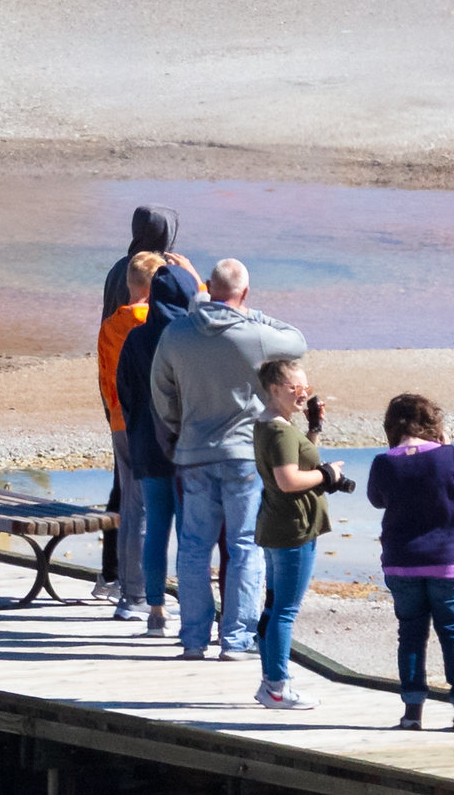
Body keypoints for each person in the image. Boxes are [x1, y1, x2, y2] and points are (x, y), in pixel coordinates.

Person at [147, 253, 309, 658]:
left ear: (206, 287)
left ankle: (193, 638)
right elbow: (297, 342)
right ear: (245, 293)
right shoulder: (253, 333)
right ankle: (235, 639)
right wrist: (255, 315)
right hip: (242, 455)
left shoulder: (176, 334)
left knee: (193, 547)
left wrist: (174, 427)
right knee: (244, 547)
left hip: (193, 451)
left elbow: (161, 391)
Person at [94, 208, 200, 627]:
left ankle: (116, 578)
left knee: (125, 495)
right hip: (150, 408)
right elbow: (197, 315)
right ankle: (137, 592)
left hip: (119, 397)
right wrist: (192, 277)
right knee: (148, 505)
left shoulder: (119, 270)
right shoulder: (159, 278)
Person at [369, 391, 454, 730]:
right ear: (433, 423)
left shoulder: (384, 462)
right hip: (447, 560)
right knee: (453, 629)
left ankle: (412, 712)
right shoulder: (449, 456)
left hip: (402, 560)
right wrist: (446, 448)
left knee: (412, 633)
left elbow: (376, 500)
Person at [248, 352, 344, 710]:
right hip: (292, 528)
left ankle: (270, 682)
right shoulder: (277, 429)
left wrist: (313, 430)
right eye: (295, 387)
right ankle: (277, 686)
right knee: (284, 611)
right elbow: (289, 480)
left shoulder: (275, 424)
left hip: (278, 525)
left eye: (306, 387)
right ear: (274, 389)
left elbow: (301, 462)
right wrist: (328, 475)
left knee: (274, 608)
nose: (303, 393)